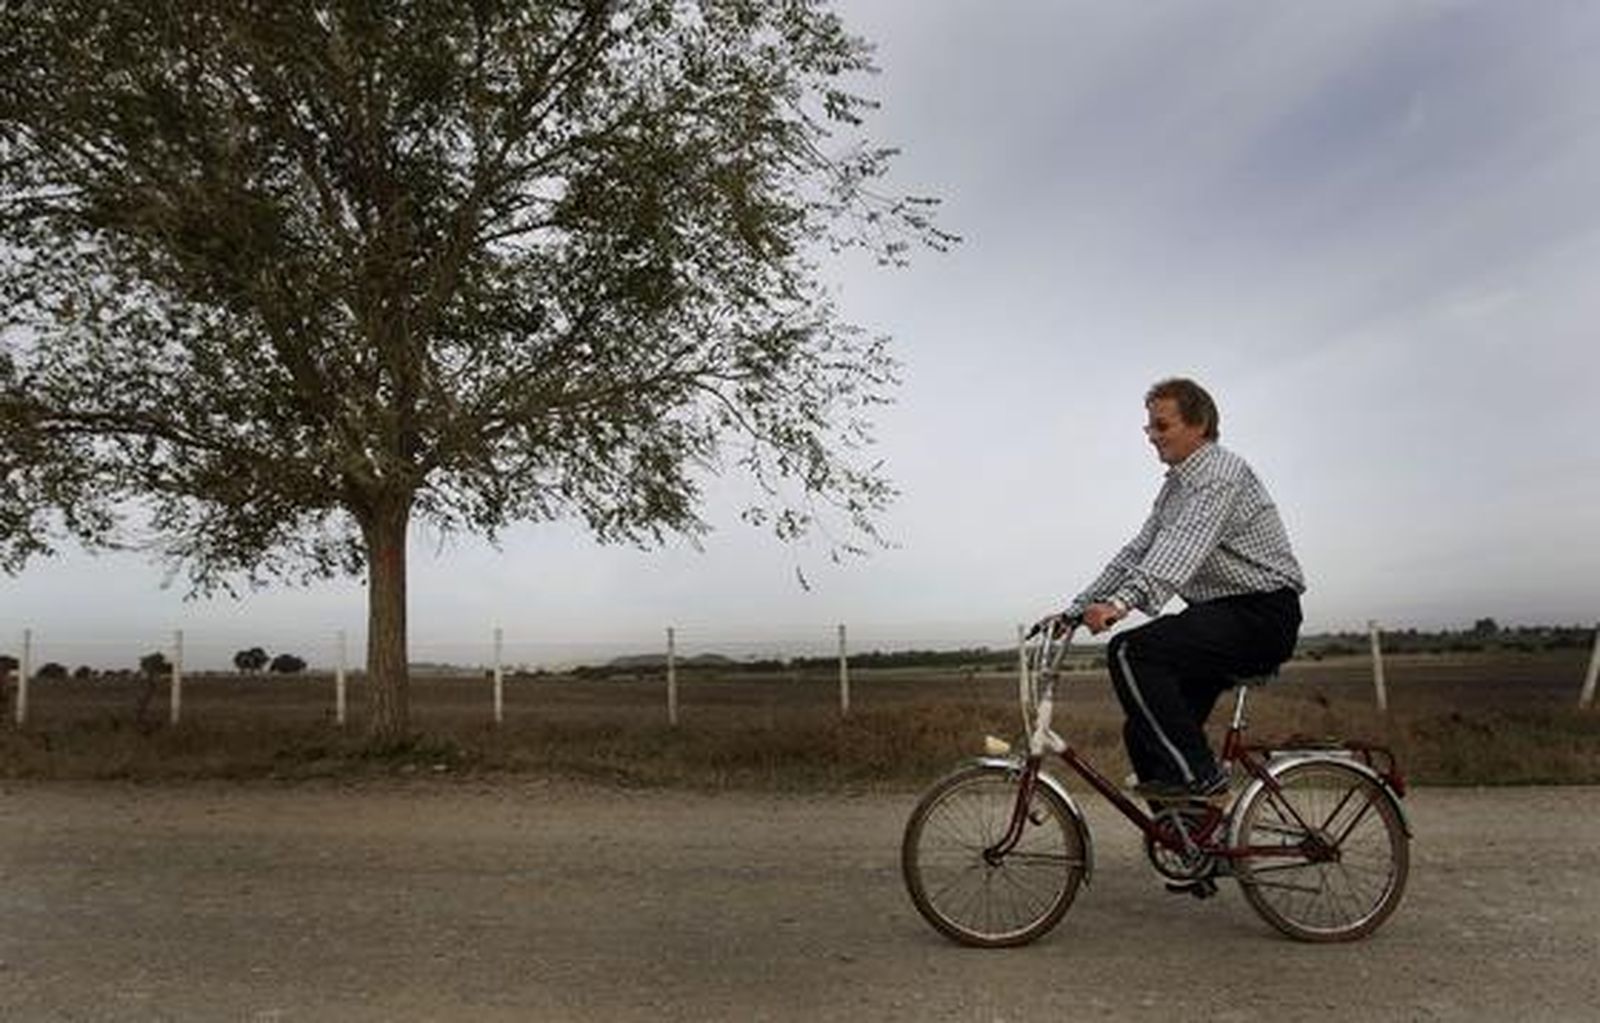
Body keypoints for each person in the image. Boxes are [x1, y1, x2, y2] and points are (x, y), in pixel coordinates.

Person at [1048, 378, 1304, 801]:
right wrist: (1075, 609)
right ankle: (1194, 848)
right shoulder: (1175, 488)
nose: (1151, 436)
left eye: (1161, 426)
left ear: (1199, 424)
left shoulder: (1220, 473)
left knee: (1132, 651)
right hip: (1220, 616)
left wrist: (1119, 604)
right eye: (1149, 427)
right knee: (1143, 735)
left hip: (1260, 615)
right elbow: (1137, 551)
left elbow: (1181, 547)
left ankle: (1201, 776)